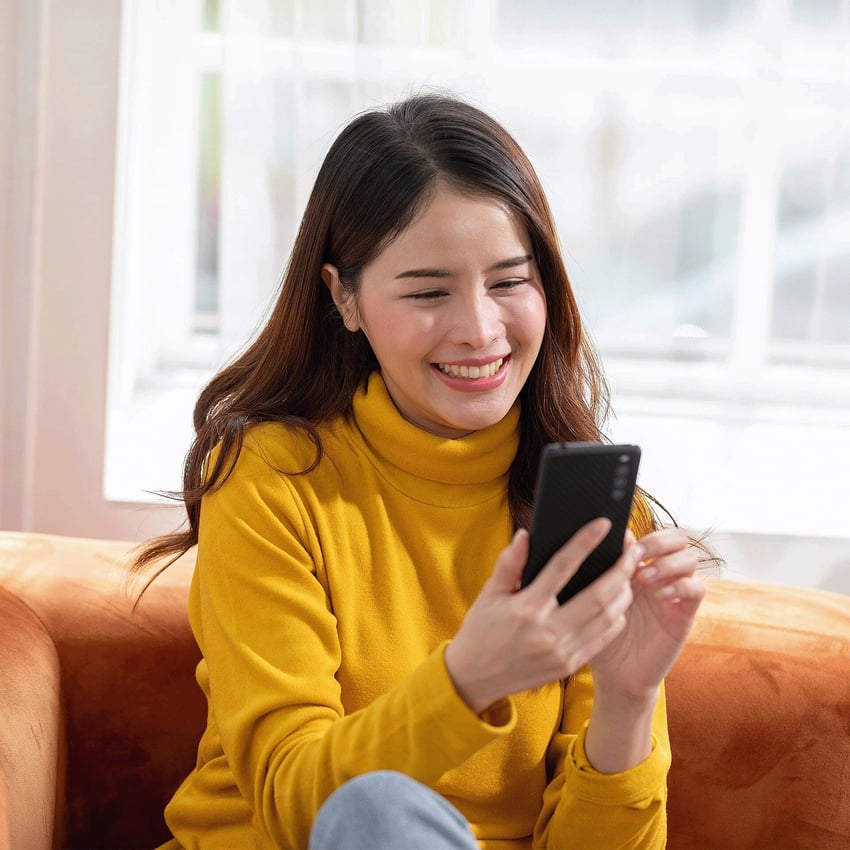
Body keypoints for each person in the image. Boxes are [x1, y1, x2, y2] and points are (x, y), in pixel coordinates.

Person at [135, 92, 706, 850]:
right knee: (376, 814)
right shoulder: (272, 479)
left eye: (509, 281)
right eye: (430, 291)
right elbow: (297, 802)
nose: (479, 329)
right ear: (344, 297)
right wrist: (469, 678)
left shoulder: (594, 515)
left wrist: (630, 704)